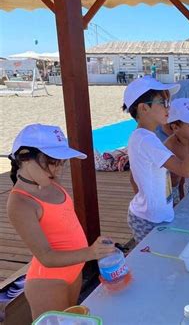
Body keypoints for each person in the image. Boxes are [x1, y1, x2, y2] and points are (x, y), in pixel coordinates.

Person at [6, 124, 116, 319]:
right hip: (48, 282)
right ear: (24, 156)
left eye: (60, 162)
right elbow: (46, 257)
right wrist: (91, 252)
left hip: (74, 270)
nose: (57, 169)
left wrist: (87, 254)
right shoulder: (20, 202)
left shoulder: (48, 182)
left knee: (71, 320)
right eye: (50, 161)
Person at [122, 76, 189, 243]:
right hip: (149, 220)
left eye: (168, 102)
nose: (169, 107)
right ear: (144, 108)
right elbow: (186, 170)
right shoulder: (146, 140)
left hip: (155, 215)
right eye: (163, 102)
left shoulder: (144, 136)